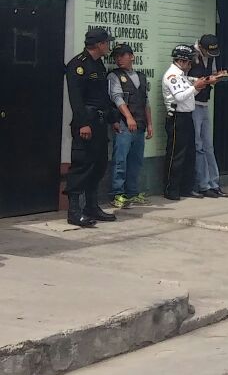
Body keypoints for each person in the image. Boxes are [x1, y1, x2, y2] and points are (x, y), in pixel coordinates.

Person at [65, 28, 117, 227]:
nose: (108, 46)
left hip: (100, 122)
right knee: (82, 165)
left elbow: (103, 96)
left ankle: (91, 207)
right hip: (85, 123)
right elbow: (76, 99)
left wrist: (113, 118)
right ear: (99, 44)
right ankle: (74, 211)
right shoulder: (78, 65)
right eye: (107, 43)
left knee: (98, 164)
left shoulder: (99, 64)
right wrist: (83, 123)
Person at [162, 45, 214, 200]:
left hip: (187, 116)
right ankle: (171, 189)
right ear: (181, 60)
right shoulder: (172, 75)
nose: (190, 65)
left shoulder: (182, 75)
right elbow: (179, 96)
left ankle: (186, 187)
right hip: (177, 118)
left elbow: (190, 94)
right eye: (189, 62)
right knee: (176, 156)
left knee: (189, 154)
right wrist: (195, 87)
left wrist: (200, 86)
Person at [107, 43, 153, 209]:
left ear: (131, 56)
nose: (119, 59)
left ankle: (132, 193)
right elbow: (117, 98)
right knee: (120, 160)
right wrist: (128, 117)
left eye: (122, 55)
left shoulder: (141, 77)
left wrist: (149, 124)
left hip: (140, 125)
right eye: (116, 56)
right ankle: (117, 194)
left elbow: (145, 102)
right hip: (124, 125)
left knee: (136, 161)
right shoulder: (114, 76)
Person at [189, 34, 228, 197]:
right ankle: (203, 184)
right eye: (208, 52)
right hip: (192, 103)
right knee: (198, 146)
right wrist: (206, 80)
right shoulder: (191, 55)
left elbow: (212, 74)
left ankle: (214, 182)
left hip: (205, 103)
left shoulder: (212, 57)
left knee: (208, 146)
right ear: (201, 47)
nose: (210, 56)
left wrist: (219, 76)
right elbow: (184, 79)